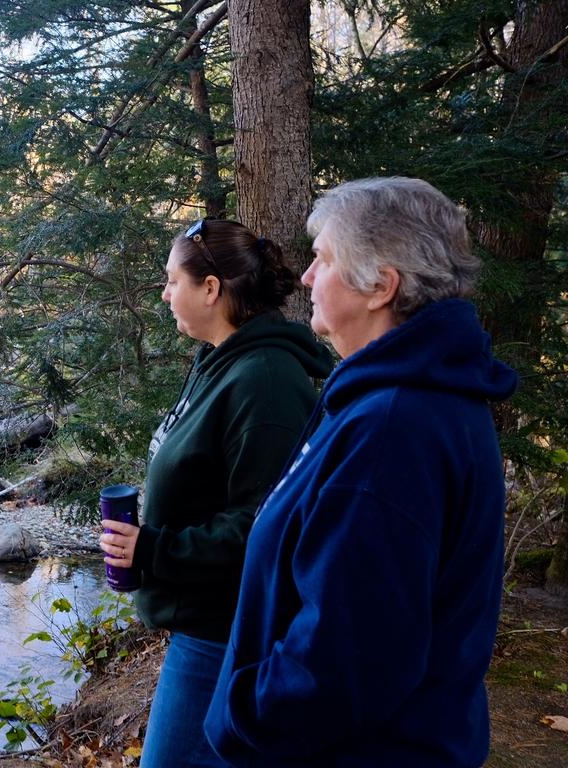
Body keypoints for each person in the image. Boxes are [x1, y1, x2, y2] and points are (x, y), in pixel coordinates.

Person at [204, 177, 519, 767]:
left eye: (322, 259)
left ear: (380, 286)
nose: (304, 277)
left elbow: (346, 659)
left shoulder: (392, 431)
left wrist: (239, 717)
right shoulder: (397, 399)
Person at [99, 218, 332, 768]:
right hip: (199, 623)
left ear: (210, 289)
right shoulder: (217, 360)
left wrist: (151, 550)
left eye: (171, 281)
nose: (164, 293)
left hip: (223, 632)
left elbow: (266, 523)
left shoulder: (266, 381)